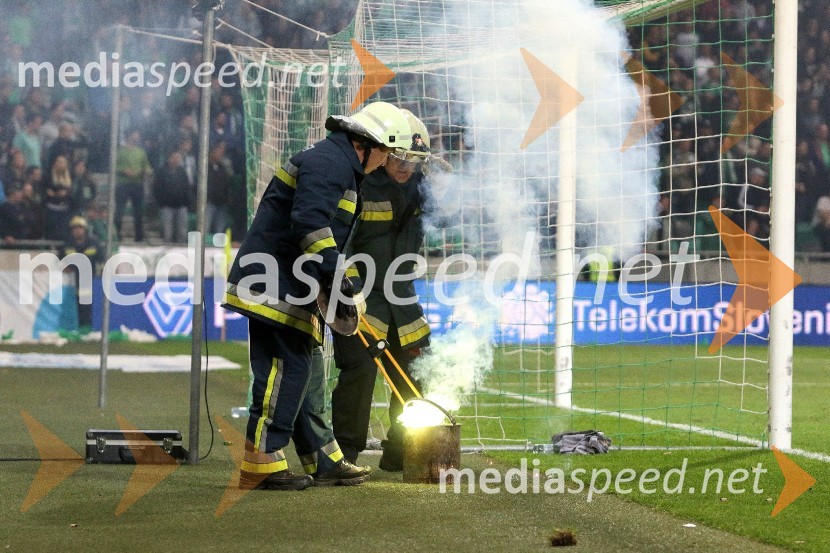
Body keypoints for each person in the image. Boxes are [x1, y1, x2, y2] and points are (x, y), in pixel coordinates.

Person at [221, 101, 411, 490]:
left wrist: (341, 281)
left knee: (306, 371)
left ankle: (323, 458)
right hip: (275, 283)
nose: (388, 162)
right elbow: (309, 224)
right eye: (389, 153)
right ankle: (260, 462)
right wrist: (337, 278)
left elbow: (328, 237)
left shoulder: (339, 163)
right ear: (370, 145)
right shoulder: (331, 163)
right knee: (285, 369)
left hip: (294, 284)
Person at [330, 110, 433, 471]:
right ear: (383, 150)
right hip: (359, 295)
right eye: (401, 157)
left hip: (402, 299)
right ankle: (345, 453)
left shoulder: (424, 189)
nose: (406, 166)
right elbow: (339, 245)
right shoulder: (358, 185)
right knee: (358, 372)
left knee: (419, 370)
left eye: (415, 160)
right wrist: (352, 289)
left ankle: (402, 450)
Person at [60, 216, 102, 330]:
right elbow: (60, 260)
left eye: (79, 228)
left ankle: (86, 328)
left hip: (90, 279)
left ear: (85, 229)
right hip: (72, 281)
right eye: (74, 229)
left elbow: (101, 259)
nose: (77, 231)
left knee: (87, 306)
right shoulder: (68, 244)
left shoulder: (93, 243)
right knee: (74, 306)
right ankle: (76, 328)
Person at [114, 129, 152, 242]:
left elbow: (147, 166)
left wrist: (146, 172)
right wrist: (123, 171)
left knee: (138, 212)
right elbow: (114, 166)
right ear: (129, 135)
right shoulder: (120, 151)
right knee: (119, 210)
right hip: (123, 184)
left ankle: (139, 237)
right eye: (136, 134)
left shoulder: (141, 152)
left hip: (137, 184)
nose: (138, 136)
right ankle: (116, 235)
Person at [154, 151, 191, 243]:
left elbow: (186, 187)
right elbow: (157, 187)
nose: (177, 159)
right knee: (167, 232)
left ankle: (182, 251)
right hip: (167, 205)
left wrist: (186, 202)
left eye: (178, 157)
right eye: (175, 157)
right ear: (169, 158)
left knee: (182, 231)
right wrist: (161, 202)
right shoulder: (162, 171)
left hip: (181, 204)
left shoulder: (182, 171)